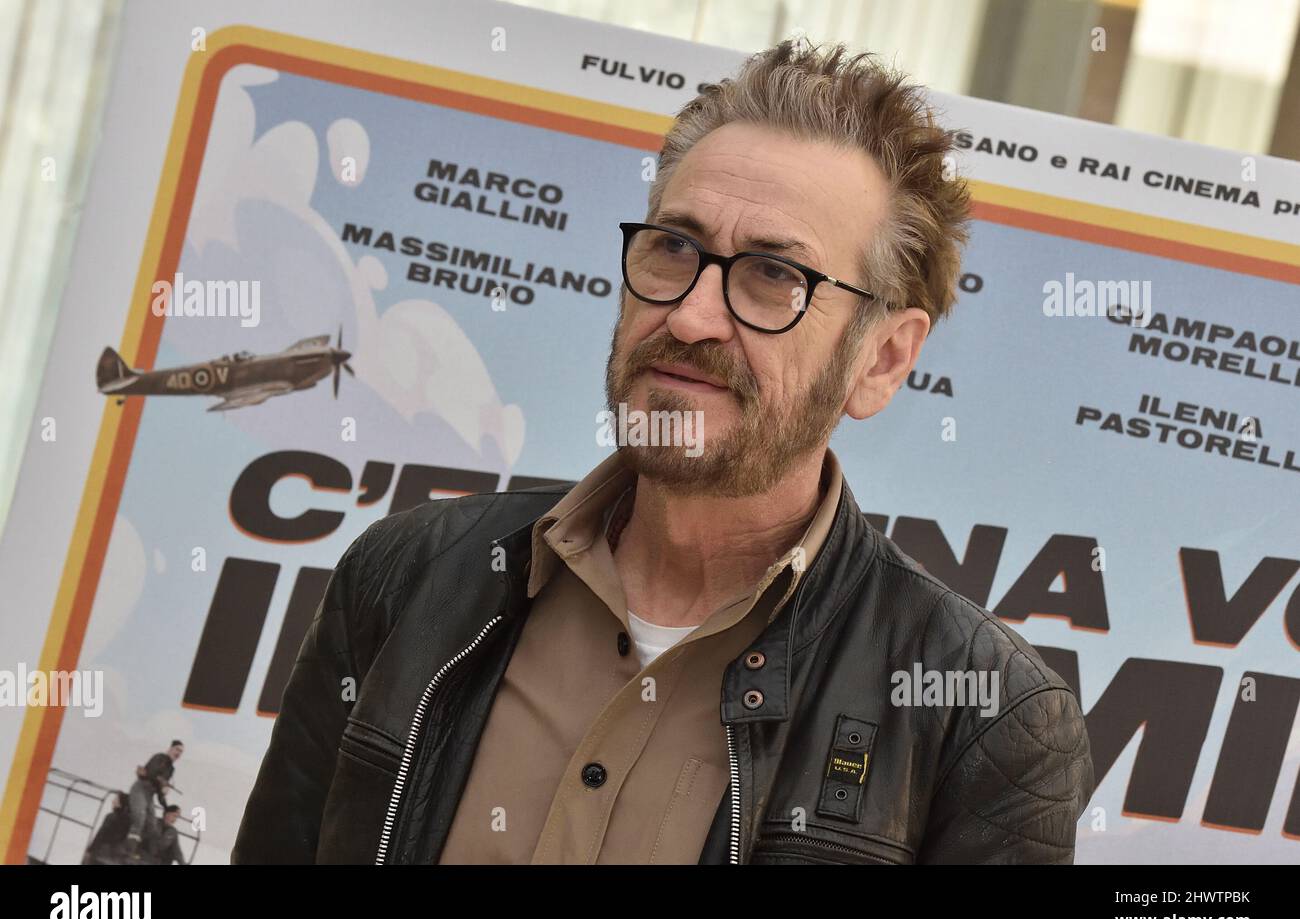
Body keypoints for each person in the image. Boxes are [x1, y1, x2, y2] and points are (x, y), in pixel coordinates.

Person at [234, 38, 1095, 865]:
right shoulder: (407, 580)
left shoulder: (983, 723)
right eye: (674, 248)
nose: (689, 317)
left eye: (771, 277)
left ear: (883, 359)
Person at [124, 739, 182, 859]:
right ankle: (128, 852)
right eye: (177, 749)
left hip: (149, 795)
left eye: (181, 752)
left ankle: (141, 852)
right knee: (139, 817)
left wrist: (166, 806)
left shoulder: (171, 769)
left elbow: (160, 794)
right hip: (140, 789)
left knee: (152, 826)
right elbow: (149, 772)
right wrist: (161, 782)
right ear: (171, 748)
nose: (178, 753)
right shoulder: (159, 758)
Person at [82, 791, 129, 865]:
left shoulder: (111, 817)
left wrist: (90, 850)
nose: (113, 801)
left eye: (116, 800)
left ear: (120, 804)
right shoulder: (128, 821)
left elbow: (100, 835)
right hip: (114, 856)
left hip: (101, 852)